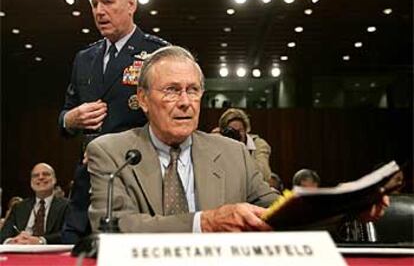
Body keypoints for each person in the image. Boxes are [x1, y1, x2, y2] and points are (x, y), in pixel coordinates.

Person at [87, 46, 389, 233]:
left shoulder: (232, 153)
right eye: (171, 90)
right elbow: (112, 227)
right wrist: (204, 223)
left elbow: (278, 213)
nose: (185, 102)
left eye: (192, 90)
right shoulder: (112, 153)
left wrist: (347, 209)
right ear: (143, 98)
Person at [58, 0, 168, 243]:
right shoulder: (85, 58)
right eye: (95, 4)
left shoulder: (158, 55)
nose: (99, 11)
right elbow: (65, 116)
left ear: (131, 4)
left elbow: (170, 124)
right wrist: (70, 119)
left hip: (136, 183)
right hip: (87, 188)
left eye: (107, 2)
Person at [0, 163, 69, 244]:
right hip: (20, 250)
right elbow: (3, 235)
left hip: (49, 253)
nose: (41, 177)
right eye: (36, 175)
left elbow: (67, 234)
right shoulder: (19, 207)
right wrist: (12, 241)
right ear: (31, 182)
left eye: (46, 174)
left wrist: (40, 240)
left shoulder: (67, 206)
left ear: (54, 179)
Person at [218, 108, 272, 181]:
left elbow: (265, 175)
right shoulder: (221, 145)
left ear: (246, 130)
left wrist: (241, 152)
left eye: (239, 131)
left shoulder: (259, 144)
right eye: (232, 131)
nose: (236, 135)